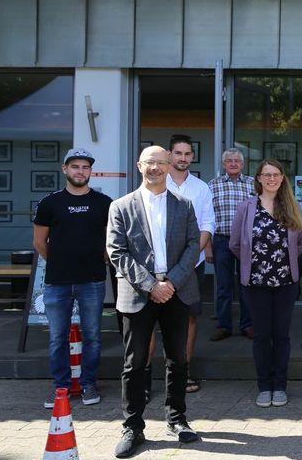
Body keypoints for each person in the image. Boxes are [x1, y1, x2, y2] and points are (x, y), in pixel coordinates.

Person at [107, 146, 201, 458]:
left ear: (169, 165)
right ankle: (132, 426)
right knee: (134, 362)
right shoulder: (121, 206)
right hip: (138, 293)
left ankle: (177, 419)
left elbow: (193, 245)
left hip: (176, 290)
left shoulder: (184, 204)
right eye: (150, 162)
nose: (156, 168)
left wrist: (170, 282)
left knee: (178, 359)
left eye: (161, 163)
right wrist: (151, 286)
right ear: (139, 166)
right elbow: (117, 251)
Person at [33, 148, 113, 409]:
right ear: (65, 169)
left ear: (91, 171)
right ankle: (61, 387)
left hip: (92, 281)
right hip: (57, 282)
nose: (81, 171)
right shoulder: (50, 203)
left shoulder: (104, 203)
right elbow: (39, 242)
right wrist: (59, 261)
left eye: (85, 167)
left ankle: (89, 384)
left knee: (93, 336)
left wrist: (100, 258)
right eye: (75, 166)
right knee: (57, 337)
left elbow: (111, 239)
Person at [230, 159, 302, 408]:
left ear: (282, 178)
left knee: (281, 335)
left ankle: (280, 386)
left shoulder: (292, 206)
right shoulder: (246, 207)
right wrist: (253, 263)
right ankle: (264, 386)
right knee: (262, 336)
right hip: (255, 283)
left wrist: (284, 262)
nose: (271, 179)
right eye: (266, 175)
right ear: (259, 179)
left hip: (286, 282)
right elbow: (235, 244)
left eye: (276, 174)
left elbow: (301, 243)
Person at [161, 134, 214, 394]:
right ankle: (146, 376)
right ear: (169, 155)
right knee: (154, 321)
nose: (183, 158)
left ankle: (183, 372)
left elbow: (208, 225)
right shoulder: (157, 183)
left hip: (193, 265)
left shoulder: (201, 188)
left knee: (189, 318)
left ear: (192, 156)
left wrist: (190, 258)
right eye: (178, 153)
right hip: (159, 266)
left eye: (187, 154)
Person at [208, 148, 256, 341]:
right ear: (223, 164)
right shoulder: (213, 185)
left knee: (247, 284)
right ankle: (224, 326)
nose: (233, 164)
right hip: (222, 240)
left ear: (242, 164)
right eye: (229, 161)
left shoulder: (253, 184)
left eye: (237, 161)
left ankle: (247, 325)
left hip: (247, 241)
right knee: (223, 286)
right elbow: (206, 217)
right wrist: (208, 246)